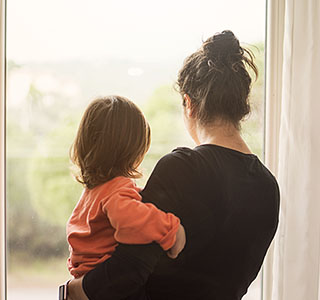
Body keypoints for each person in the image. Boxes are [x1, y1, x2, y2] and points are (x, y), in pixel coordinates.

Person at [67, 30, 280, 300]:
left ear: (188, 104)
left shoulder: (183, 168)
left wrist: (69, 291)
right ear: (240, 107)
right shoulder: (268, 186)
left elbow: (127, 272)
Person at [66, 96, 186, 279]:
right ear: (132, 152)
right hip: (106, 285)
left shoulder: (92, 192)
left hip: (85, 280)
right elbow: (133, 221)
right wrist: (171, 230)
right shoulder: (116, 191)